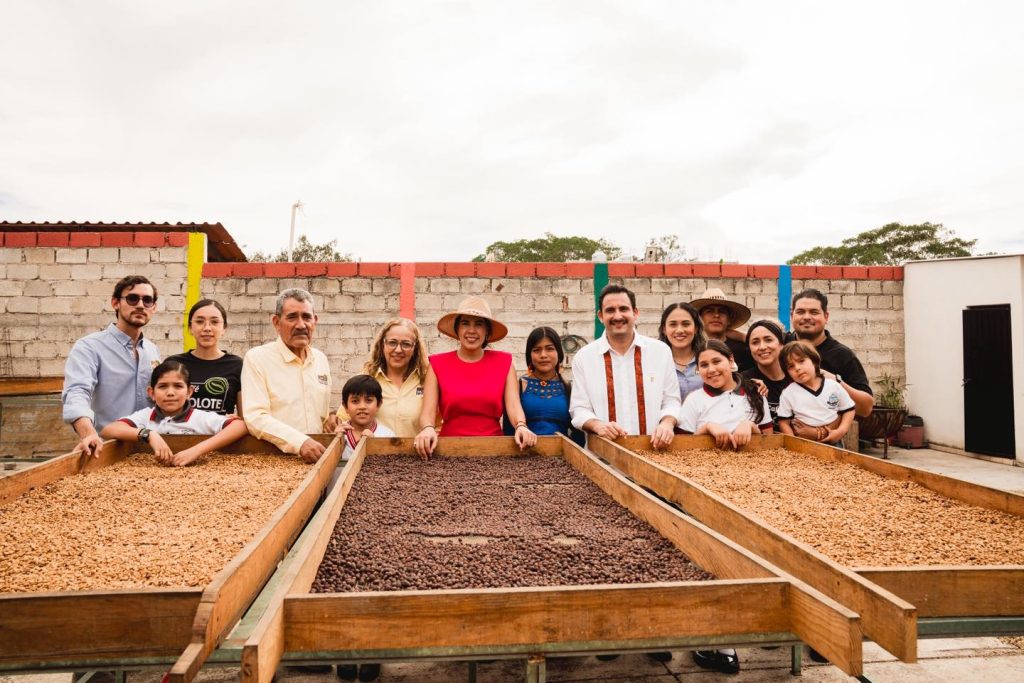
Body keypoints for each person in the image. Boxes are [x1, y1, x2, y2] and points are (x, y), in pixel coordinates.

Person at [415, 297, 536, 458]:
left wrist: (521, 426)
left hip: (494, 450)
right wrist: (427, 428)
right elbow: (427, 412)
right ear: (457, 329)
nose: (471, 330)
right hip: (448, 450)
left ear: (487, 332)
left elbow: (513, 405)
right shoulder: (437, 364)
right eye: (465, 323)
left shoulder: (504, 362)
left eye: (478, 324)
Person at [62, 275, 162, 457]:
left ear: (153, 308)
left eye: (147, 300)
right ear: (115, 303)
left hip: (148, 450)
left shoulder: (152, 351)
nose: (140, 305)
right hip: (106, 450)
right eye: (132, 298)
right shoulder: (89, 347)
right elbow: (77, 393)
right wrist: (89, 434)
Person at [569, 284, 679, 448]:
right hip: (603, 458)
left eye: (623, 309)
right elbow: (578, 409)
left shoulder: (660, 352)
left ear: (635, 313)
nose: (617, 316)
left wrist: (667, 423)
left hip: (653, 454)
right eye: (610, 310)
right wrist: (598, 425)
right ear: (600, 316)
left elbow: (672, 401)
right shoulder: (584, 358)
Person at [241, 288, 336, 463]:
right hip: (273, 462)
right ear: (277, 322)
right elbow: (256, 418)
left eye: (307, 317)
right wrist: (300, 442)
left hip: (317, 459)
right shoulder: (257, 358)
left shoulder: (320, 360)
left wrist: (331, 422)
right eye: (292, 317)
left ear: (315, 321)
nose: (301, 325)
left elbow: (321, 416)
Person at [100, 360, 248, 467]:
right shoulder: (145, 416)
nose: (170, 393)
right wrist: (150, 435)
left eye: (178, 386)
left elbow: (240, 426)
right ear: (151, 393)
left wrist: (197, 450)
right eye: (163, 386)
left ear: (189, 392)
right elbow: (109, 430)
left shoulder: (200, 417)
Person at [337, 318, 429, 437]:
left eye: (406, 344)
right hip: (373, 454)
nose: (398, 350)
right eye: (392, 342)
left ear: (415, 348)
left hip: (415, 455)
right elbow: (344, 417)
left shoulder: (426, 380)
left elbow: (436, 424)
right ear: (382, 344)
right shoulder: (367, 378)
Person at [790, 289, 874, 417]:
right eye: (801, 312)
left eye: (814, 312)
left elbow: (866, 408)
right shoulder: (780, 345)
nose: (806, 317)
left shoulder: (842, 355)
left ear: (826, 316)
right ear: (792, 316)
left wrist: (836, 381)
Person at [678, 340, 773, 449]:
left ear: (731, 360)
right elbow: (681, 446)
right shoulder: (694, 400)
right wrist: (706, 428)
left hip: (753, 463)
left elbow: (770, 442)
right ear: (698, 369)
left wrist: (751, 426)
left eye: (717, 361)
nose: (711, 370)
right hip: (706, 464)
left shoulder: (756, 393)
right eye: (704, 365)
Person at [503, 327, 585, 446]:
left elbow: (578, 433)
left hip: (561, 458)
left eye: (550, 349)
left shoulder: (569, 388)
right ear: (529, 355)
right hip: (522, 454)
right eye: (537, 350)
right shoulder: (518, 387)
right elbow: (508, 430)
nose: (543, 355)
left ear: (559, 353)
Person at [167, 299, 243, 416]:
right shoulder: (174, 364)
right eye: (200, 321)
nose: (207, 328)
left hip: (224, 433)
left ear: (224, 328)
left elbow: (244, 418)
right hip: (180, 433)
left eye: (214, 322)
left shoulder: (237, 365)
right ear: (190, 328)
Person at [777, 340, 856, 445]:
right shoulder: (788, 393)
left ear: (814, 361)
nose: (797, 368)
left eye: (801, 361)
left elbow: (849, 410)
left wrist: (841, 431)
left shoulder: (833, 385)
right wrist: (793, 444)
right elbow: (783, 422)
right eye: (791, 366)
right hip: (804, 442)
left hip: (833, 441)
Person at [690, 288, 755, 373]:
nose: (716, 315)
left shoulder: (743, 349)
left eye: (722, 311)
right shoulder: (690, 347)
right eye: (710, 311)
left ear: (729, 320)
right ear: (700, 318)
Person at [742, 320, 790, 429]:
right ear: (749, 349)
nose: (762, 347)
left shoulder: (798, 377)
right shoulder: (742, 381)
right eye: (755, 342)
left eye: (768, 340)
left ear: (781, 344)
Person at [339, 374, 395, 461]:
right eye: (355, 401)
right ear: (345, 406)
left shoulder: (387, 435)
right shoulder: (340, 433)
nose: (362, 406)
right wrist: (335, 441)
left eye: (368, 400)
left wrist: (373, 446)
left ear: (379, 404)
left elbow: (392, 468)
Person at [658, 302, 706, 404]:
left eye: (686, 324)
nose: (679, 330)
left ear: (696, 328)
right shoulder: (655, 362)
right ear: (664, 329)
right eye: (673, 324)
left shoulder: (707, 358)